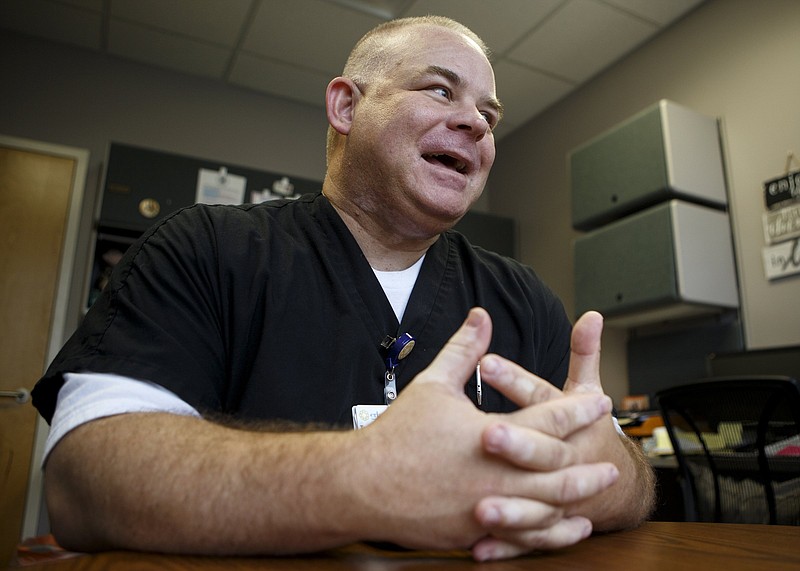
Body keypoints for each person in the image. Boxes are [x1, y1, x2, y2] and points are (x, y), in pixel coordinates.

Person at [32, 15, 654, 562]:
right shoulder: (204, 250)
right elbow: (86, 477)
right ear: (346, 106)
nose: (477, 124)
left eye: (489, 117)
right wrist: (370, 480)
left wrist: (605, 469)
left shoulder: (522, 298)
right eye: (441, 90)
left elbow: (631, 483)